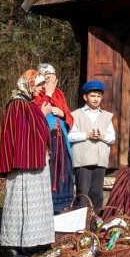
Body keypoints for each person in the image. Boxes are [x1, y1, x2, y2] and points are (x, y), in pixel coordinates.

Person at [0, 69, 54, 257]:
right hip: (23, 165)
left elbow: (35, 129)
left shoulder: (27, 103)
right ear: (28, 84)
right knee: (18, 204)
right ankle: (10, 246)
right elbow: (21, 134)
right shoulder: (17, 104)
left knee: (32, 205)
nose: (41, 89)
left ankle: (28, 242)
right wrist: (43, 114)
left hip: (34, 163)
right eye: (38, 85)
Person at [68, 80, 116, 213]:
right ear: (85, 97)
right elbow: (70, 136)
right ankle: (80, 224)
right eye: (93, 96)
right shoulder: (76, 114)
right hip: (83, 160)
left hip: (100, 160)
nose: (96, 99)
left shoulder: (106, 116)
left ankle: (94, 222)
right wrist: (87, 135)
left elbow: (112, 137)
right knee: (83, 192)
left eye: (99, 96)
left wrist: (102, 137)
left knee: (97, 193)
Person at [34, 63, 74, 214]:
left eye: (52, 77)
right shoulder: (36, 93)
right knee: (49, 172)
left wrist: (62, 114)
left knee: (64, 171)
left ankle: (63, 207)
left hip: (61, 140)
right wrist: (47, 94)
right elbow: (36, 113)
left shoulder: (59, 94)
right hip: (46, 142)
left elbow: (69, 116)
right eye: (46, 78)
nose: (50, 80)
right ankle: (47, 208)